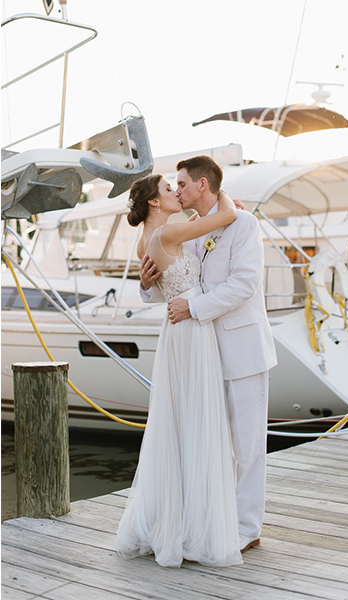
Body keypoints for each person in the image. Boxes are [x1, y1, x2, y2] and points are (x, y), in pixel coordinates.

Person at [138, 155, 278, 553]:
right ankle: (213, 518)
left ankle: (246, 528)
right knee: (212, 442)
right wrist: (147, 284)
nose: (177, 191)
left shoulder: (244, 224)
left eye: (182, 184)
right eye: (174, 186)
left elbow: (244, 284)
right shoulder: (191, 231)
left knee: (247, 444)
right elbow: (172, 281)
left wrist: (193, 308)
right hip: (201, 352)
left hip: (242, 347)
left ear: (202, 184)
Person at [115, 173, 242, 567]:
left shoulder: (147, 240)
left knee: (176, 422)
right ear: (155, 202)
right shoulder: (170, 234)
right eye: (171, 190)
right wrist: (217, 192)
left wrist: (147, 285)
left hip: (177, 329)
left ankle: (173, 517)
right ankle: (191, 524)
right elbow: (227, 215)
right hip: (190, 328)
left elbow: (155, 289)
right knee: (197, 420)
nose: (178, 193)